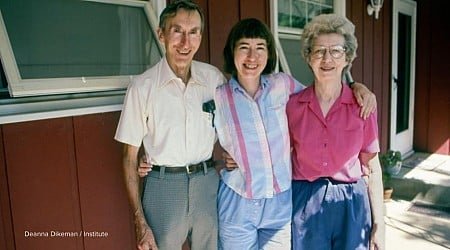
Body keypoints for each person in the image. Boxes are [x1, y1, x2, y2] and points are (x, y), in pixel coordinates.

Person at [213, 18, 377, 249]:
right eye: (244, 48)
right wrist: (222, 158)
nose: (252, 57)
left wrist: (356, 87)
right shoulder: (217, 93)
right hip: (239, 198)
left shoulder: (283, 86)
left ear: (269, 53)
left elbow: (325, 92)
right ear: (232, 52)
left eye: (260, 48)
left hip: (278, 202)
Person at [114, 1, 226, 249]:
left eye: (193, 32)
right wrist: (139, 223)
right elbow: (128, 157)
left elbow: (230, 129)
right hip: (163, 188)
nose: (186, 43)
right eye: (177, 31)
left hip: (207, 184)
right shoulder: (142, 87)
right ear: (161, 34)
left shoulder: (214, 80)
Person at [286, 14, 385, 250]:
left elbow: (372, 167)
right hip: (306, 201)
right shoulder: (292, 105)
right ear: (309, 58)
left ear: (347, 57)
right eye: (319, 51)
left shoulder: (363, 106)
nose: (327, 58)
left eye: (336, 51)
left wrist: (379, 224)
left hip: (351, 203)